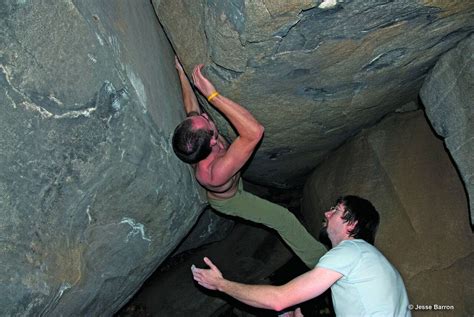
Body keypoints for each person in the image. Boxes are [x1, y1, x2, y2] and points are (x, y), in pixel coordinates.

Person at [172, 58, 327, 269]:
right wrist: (212, 95)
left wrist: (181, 72)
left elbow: (191, 109)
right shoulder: (213, 173)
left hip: (233, 177)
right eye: (207, 122)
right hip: (232, 199)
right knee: (283, 218)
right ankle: (323, 264)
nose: (206, 116)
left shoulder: (197, 143)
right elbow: (255, 132)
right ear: (212, 141)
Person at [192, 195, 411, 317]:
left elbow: (279, 301)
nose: (327, 213)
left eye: (335, 210)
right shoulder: (369, 260)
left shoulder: (350, 252)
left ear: (351, 224)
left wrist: (221, 284)